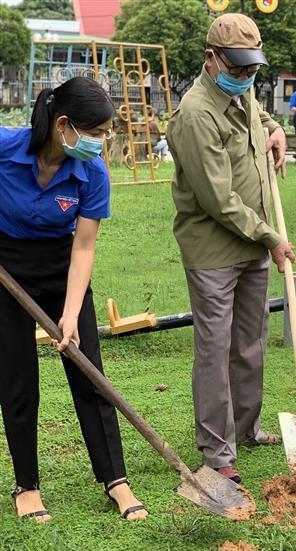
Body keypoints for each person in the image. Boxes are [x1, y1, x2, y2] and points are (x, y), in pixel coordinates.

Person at [0, 78, 148, 522]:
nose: (102, 143)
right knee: (18, 379)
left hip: (63, 268)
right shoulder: (6, 149)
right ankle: (27, 487)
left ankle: (116, 480)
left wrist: (69, 313)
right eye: (97, 132)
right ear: (63, 125)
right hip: (7, 269)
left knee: (89, 376)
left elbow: (84, 247)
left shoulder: (92, 172)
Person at [166, 13, 293, 485]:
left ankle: (245, 428)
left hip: (254, 245)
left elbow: (254, 117)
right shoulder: (196, 113)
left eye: (250, 69)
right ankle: (217, 451)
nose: (244, 78)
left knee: (251, 343)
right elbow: (219, 200)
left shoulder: (243, 88)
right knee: (215, 350)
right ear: (211, 58)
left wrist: (274, 128)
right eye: (236, 69)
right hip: (215, 249)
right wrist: (272, 238)